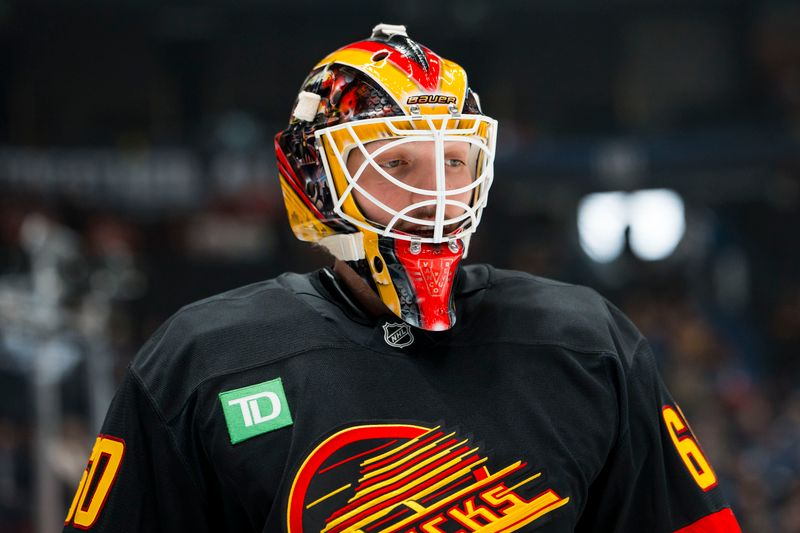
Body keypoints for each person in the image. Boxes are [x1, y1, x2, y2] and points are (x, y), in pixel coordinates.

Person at [63, 24, 741, 532]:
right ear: (316, 180)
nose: (439, 198)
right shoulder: (201, 359)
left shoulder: (588, 342)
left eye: (455, 161)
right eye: (398, 166)